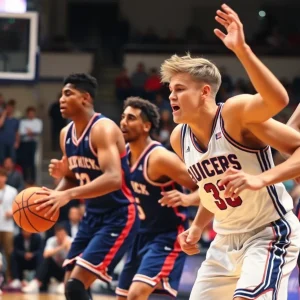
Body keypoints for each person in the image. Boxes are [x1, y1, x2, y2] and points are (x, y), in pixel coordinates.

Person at [160, 4, 300, 300]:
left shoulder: (235, 113)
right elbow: (211, 192)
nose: (171, 95)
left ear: (204, 92)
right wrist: (197, 227)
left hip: (268, 233)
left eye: (179, 89)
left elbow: (278, 99)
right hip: (224, 241)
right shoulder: (178, 137)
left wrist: (242, 50)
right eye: (170, 90)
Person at [35, 73, 139, 300]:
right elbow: (72, 178)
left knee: (76, 284)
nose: (61, 99)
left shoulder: (103, 128)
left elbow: (113, 179)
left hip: (119, 214)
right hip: (92, 216)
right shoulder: (65, 135)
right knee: (70, 286)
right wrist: (53, 196)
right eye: (61, 94)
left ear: (85, 98)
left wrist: (69, 195)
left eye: (67, 94)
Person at [116, 97, 199, 299]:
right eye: (123, 117)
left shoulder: (159, 158)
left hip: (167, 235)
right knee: (122, 296)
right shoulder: (122, 155)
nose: (123, 122)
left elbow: (206, 187)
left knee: (136, 294)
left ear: (146, 126)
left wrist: (186, 199)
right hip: (139, 235)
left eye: (131, 118)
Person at [22, 224, 72, 294]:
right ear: (56, 234)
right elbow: (45, 254)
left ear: (66, 234)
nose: (60, 237)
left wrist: (67, 248)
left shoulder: (71, 240)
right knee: (46, 260)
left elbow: (74, 258)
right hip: (55, 270)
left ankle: (64, 284)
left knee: (71, 263)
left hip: (66, 271)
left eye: (62, 235)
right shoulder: (51, 240)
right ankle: (36, 283)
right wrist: (61, 247)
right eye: (59, 235)